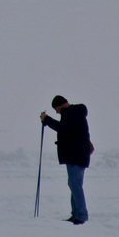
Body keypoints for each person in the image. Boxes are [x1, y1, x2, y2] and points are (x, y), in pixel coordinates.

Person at [40, 95, 92, 224]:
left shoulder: (71, 113)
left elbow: (63, 128)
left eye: (55, 109)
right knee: (74, 184)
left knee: (75, 185)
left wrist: (46, 119)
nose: (56, 112)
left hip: (76, 154)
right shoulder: (74, 113)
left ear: (59, 105)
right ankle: (76, 214)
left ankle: (81, 215)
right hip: (77, 154)